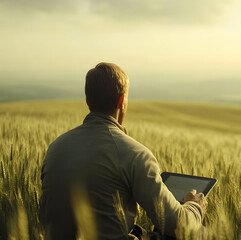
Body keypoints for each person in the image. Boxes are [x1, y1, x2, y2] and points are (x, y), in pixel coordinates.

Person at [40, 62, 207, 240]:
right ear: (122, 101)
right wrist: (194, 206)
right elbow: (176, 225)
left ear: (88, 101)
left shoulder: (55, 147)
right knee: (201, 234)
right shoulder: (135, 154)